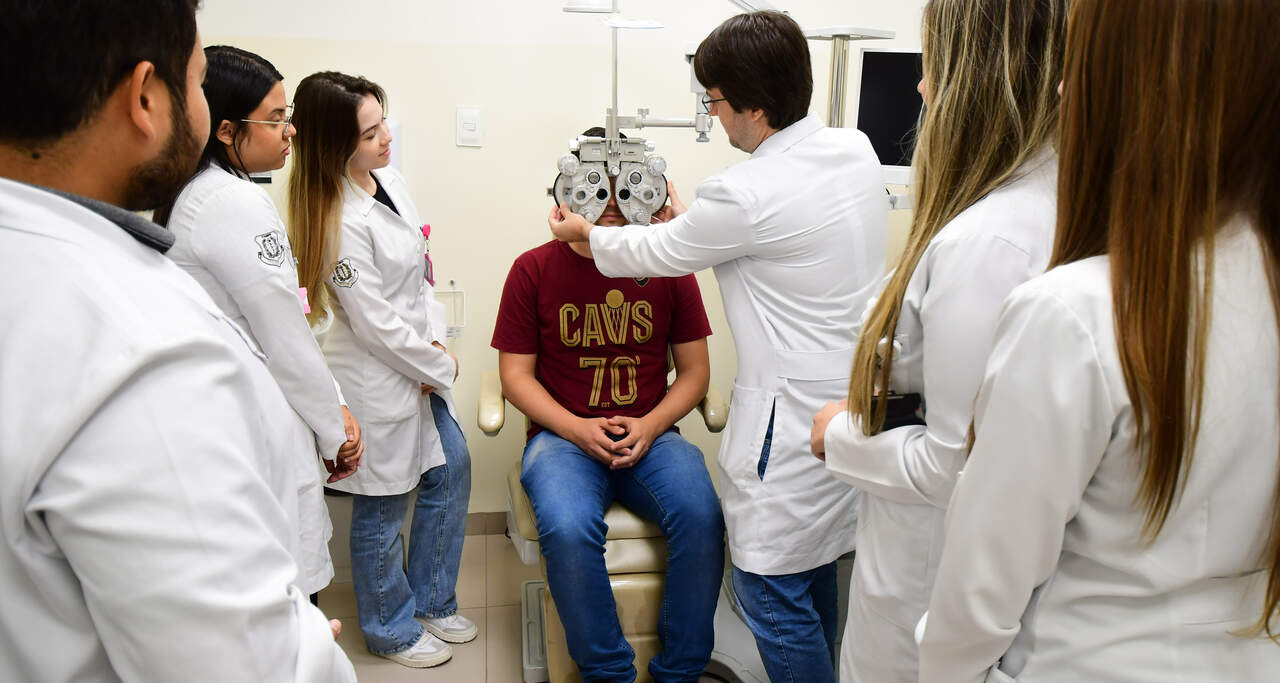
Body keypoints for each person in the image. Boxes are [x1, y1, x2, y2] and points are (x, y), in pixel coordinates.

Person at [916, 0, 1280, 680]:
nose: (1060, 91)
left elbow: (975, 602)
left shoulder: (1076, 316)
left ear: (1142, 90)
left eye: (1081, 65)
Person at [0, 1, 355, 680]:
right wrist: (307, 647)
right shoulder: (139, 345)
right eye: (195, 80)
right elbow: (240, 665)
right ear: (144, 99)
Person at [550, 12, 889, 682]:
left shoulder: (744, 192)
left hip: (789, 431)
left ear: (752, 106)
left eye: (714, 102)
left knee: (770, 590)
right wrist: (689, 227)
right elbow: (744, 245)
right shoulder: (854, 150)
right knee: (815, 573)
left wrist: (583, 233)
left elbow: (660, 248)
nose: (714, 115)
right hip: (851, 411)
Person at [806, 0, 1067, 680]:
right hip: (947, 580)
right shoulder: (1035, 206)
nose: (921, 87)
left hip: (924, 592)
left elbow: (957, 464)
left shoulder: (990, 242)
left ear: (976, 74)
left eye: (933, 65)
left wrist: (836, 435)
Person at [493, 127, 725, 683]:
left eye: (629, 190)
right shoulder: (533, 270)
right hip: (562, 440)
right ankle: (608, 672)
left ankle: (681, 670)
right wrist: (575, 429)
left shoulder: (668, 268)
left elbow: (695, 374)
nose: (614, 207)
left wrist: (651, 424)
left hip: (652, 435)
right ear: (568, 193)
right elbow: (515, 377)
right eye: (600, 189)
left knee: (702, 517)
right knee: (569, 529)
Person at [158, 45, 365, 602]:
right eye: (275, 120)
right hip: (256, 428)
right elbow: (285, 339)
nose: (290, 131)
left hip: (229, 426)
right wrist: (335, 428)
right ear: (226, 130)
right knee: (289, 605)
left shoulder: (197, 193)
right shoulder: (232, 204)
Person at [289, 71, 472, 669]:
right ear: (336, 145)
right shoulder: (339, 220)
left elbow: (419, 279)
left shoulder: (388, 181)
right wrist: (433, 363)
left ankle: (432, 601)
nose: (385, 137)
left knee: (452, 468)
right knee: (382, 506)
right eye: (370, 134)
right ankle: (389, 628)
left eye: (382, 121)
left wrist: (437, 349)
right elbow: (373, 325)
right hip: (374, 379)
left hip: (415, 365)